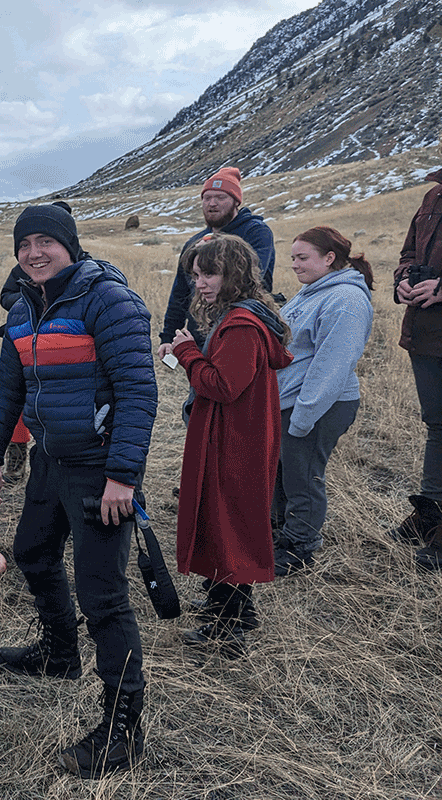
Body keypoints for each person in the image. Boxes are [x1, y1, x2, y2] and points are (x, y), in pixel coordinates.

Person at [0, 205, 157, 778]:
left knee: (103, 595)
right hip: (49, 460)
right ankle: (59, 655)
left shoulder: (108, 301)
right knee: (32, 551)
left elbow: (138, 391)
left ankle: (122, 729)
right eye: (24, 244)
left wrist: (122, 477)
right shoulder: (26, 305)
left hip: (100, 467)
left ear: (69, 245)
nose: (33, 252)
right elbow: (11, 386)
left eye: (44, 242)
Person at [171, 234, 291, 657]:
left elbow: (222, 385)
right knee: (223, 518)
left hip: (235, 440)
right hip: (236, 434)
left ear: (233, 275)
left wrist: (186, 353)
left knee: (229, 523)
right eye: (196, 275)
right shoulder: (239, 317)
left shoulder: (241, 325)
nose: (200, 283)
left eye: (209, 274)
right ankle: (223, 600)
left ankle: (231, 627)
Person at [272, 227, 373, 576]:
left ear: (329, 258)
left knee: (302, 477)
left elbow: (333, 364)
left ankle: (299, 549)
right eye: (293, 258)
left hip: (319, 405)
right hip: (292, 402)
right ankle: (278, 536)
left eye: (303, 258)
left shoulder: (345, 300)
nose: (295, 265)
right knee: (282, 473)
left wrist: (304, 415)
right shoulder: (311, 292)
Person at [157, 167, 277, 357]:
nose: (212, 203)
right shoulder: (195, 242)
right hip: (201, 336)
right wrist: (169, 336)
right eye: (207, 198)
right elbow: (180, 292)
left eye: (221, 197)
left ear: (236, 202)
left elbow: (249, 279)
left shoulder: (256, 233)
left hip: (240, 331)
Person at [0, 201, 76, 482]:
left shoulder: (81, 266)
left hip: (64, 353)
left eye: (48, 239)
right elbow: (6, 295)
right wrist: (30, 300)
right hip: (27, 345)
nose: (37, 250)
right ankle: (15, 465)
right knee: (16, 406)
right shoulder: (25, 267)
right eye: (30, 242)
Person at [388, 166, 442, 569]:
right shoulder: (431, 198)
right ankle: (431, 516)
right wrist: (404, 280)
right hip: (425, 335)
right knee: (437, 425)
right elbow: (408, 253)